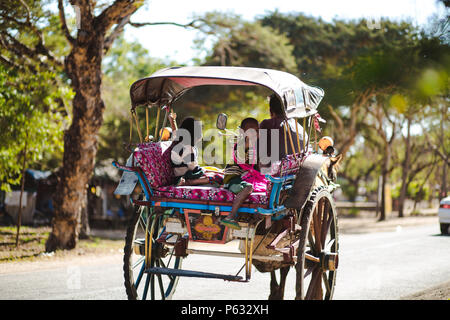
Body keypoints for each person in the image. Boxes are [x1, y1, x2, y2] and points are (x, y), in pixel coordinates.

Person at [221, 117, 266, 230]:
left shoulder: (252, 147)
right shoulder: (241, 145)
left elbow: (254, 165)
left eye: (256, 130)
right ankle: (231, 216)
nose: (254, 134)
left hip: (243, 177)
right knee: (249, 188)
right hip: (232, 179)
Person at [259, 94, 307, 170]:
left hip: (272, 172)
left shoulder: (267, 124)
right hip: (296, 170)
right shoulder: (299, 127)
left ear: (271, 111)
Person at [171, 116, 209, 186]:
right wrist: (204, 171)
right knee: (209, 178)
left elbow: (175, 132)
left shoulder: (181, 143)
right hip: (184, 176)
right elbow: (193, 168)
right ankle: (187, 183)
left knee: (211, 171)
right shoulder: (187, 148)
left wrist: (172, 120)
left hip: (183, 174)